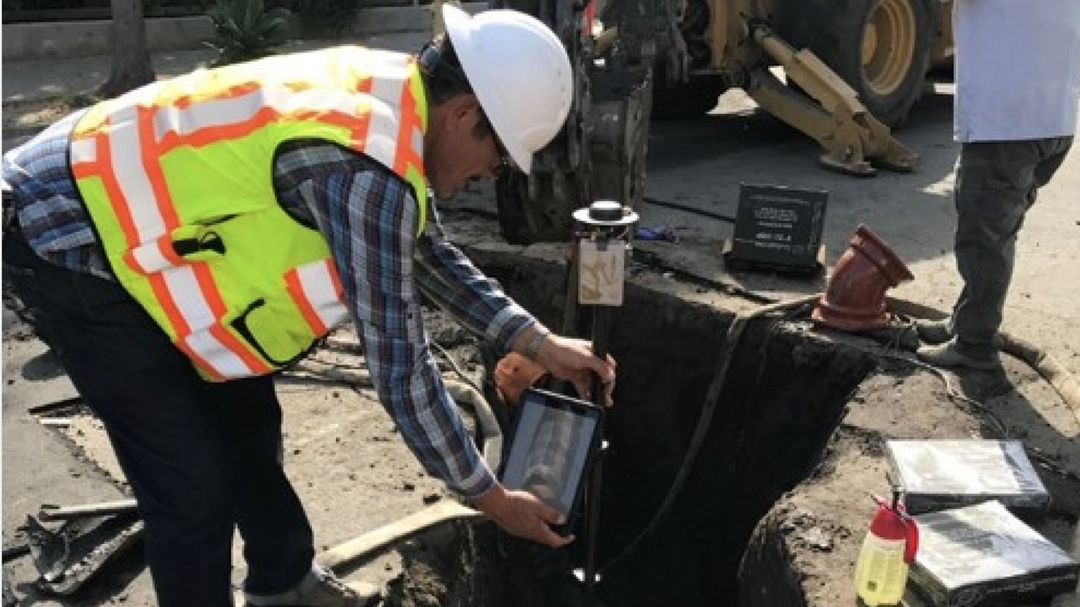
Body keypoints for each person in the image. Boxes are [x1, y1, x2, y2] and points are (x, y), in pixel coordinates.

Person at [1, 6, 617, 607]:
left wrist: (535, 341)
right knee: (190, 491)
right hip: (67, 234)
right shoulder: (364, 166)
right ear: (463, 113)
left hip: (138, 233)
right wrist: (491, 497)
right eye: (499, 158)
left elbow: (423, 252)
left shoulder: (392, 98)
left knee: (247, 419)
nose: (489, 175)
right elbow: (402, 371)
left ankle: (283, 581)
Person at [915, 0, 1080, 371]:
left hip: (1008, 118)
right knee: (996, 230)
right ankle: (966, 320)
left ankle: (975, 345)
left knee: (984, 237)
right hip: (1052, 113)